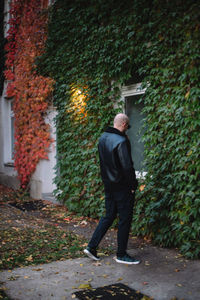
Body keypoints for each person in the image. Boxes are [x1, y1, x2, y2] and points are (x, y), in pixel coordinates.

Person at [84, 113, 140, 265]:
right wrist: (133, 186)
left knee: (109, 216)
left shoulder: (103, 138)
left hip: (108, 186)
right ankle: (121, 254)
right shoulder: (121, 140)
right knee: (125, 219)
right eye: (127, 127)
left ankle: (92, 247)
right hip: (122, 187)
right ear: (123, 125)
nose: (127, 130)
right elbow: (127, 167)